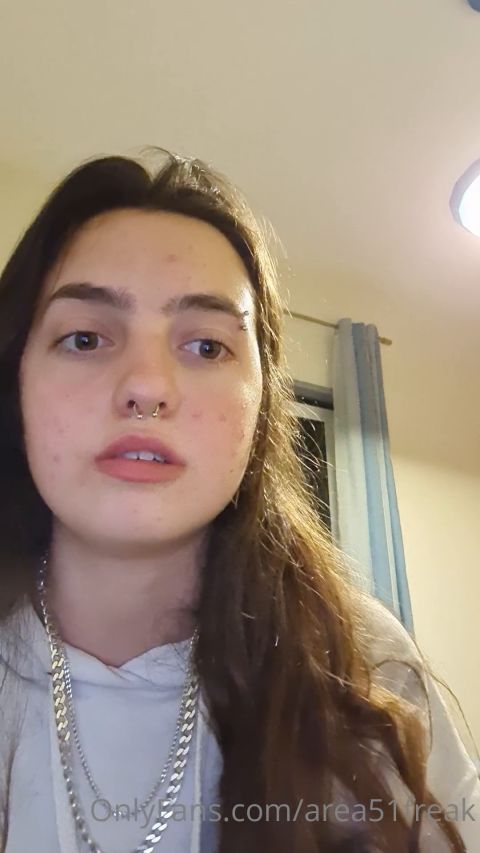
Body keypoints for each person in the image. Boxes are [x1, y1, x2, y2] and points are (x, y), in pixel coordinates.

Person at [0, 148, 477, 853]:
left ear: (261, 405)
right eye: (85, 337)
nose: (146, 386)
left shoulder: (359, 661)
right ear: (15, 383)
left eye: (207, 347)